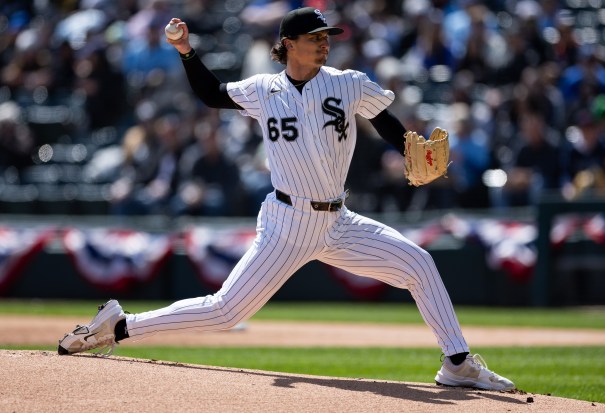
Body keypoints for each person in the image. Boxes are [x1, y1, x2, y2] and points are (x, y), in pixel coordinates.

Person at [58, 7, 515, 391]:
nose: (324, 43)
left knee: (419, 264)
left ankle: (457, 364)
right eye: (315, 37)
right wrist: (186, 51)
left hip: (338, 222)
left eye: (327, 36)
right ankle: (119, 325)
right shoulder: (263, 89)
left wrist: (406, 149)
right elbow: (211, 94)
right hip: (286, 223)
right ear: (288, 43)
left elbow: (388, 121)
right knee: (225, 312)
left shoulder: (349, 82)